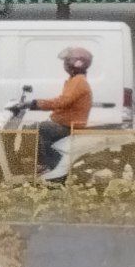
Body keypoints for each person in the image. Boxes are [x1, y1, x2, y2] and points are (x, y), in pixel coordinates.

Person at [26, 47, 96, 177]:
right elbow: (64, 103)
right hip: (65, 123)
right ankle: (38, 164)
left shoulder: (78, 81)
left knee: (37, 129)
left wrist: (37, 103)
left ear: (76, 64)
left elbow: (63, 101)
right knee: (32, 128)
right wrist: (35, 104)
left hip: (68, 125)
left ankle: (51, 166)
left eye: (67, 62)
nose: (65, 65)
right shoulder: (74, 81)